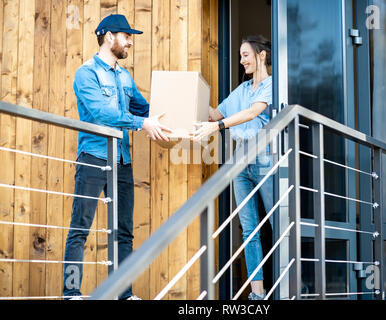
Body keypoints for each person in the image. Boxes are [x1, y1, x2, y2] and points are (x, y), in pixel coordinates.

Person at [63, 14, 172, 300]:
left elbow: (143, 107)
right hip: (93, 158)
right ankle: (71, 293)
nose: (130, 42)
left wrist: (178, 114)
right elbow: (101, 113)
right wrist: (141, 123)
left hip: (121, 161)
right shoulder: (86, 73)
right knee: (80, 228)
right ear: (109, 36)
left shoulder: (124, 76)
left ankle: (124, 294)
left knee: (124, 232)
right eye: (126, 36)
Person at [193, 35, 273, 300]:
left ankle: (290, 287)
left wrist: (217, 126)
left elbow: (252, 113)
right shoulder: (241, 90)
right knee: (249, 229)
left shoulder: (273, 85)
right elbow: (216, 114)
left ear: (261, 56)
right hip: (241, 164)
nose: (241, 61)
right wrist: (190, 97)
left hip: (266, 160)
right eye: (240, 56)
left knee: (278, 222)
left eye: (246, 55)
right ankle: (257, 295)